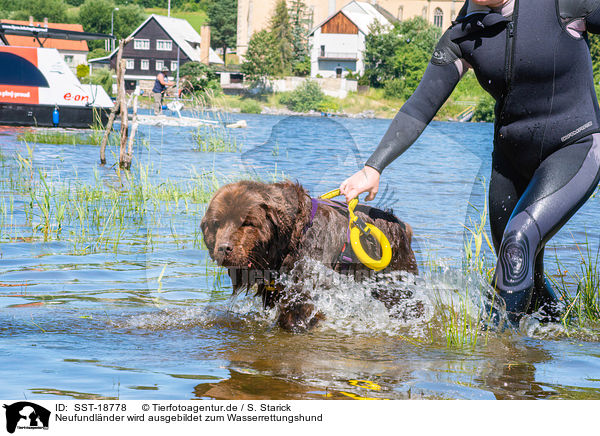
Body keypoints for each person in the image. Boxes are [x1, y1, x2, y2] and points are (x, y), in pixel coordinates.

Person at [339, 0, 600, 322]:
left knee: (517, 242)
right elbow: (420, 106)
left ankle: (496, 357)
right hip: (510, 163)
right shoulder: (463, 35)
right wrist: (372, 167)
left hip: (575, 147)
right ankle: (558, 337)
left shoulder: (562, 4)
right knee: (520, 261)